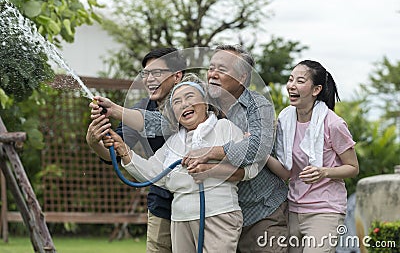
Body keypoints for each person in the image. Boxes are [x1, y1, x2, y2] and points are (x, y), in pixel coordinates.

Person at [94, 45, 289, 252]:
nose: (212, 74)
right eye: (211, 68)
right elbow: (159, 122)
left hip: (260, 209)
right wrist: (115, 110)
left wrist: (210, 153)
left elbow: (257, 148)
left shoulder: (258, 106)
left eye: (221, 69)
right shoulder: (202, 100)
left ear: (242, 76)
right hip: (217, 210)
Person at [100, 78, 251, 252]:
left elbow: (250, 169)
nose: (183, 104)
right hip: (180, 218)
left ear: (206, 102)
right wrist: (124, 150)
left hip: (219, 214)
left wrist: (210, 170)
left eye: (189, 97)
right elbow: (154, 174)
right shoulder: (173, 141)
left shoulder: (225, 128)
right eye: (177, 102)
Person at [86, 47, 185, 253]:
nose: (149, 79)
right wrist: (95, 142)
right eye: (146, 73)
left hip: (196, 199)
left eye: (157, 72)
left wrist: (117, 110)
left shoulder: (192, 101)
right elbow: (114, 152)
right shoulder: (140, 107)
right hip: (161, 200)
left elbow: (166, 122)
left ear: (177, 76)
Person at [266, 60, 359, 252]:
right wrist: (261, 154)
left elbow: (353, 168)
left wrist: (324, 172)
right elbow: (286, 173)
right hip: (294, 208)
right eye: (290, 79)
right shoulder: (285, 119)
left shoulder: (333, 124)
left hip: (325, 210)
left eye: (300, 81)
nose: (291, 85)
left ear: (316, 89)